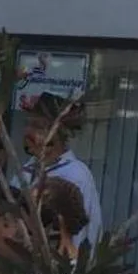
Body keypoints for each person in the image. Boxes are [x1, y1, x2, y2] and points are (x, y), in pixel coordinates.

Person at [23, 94, 102, 251]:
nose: (28, 131)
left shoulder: (74, 174)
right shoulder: (28, 168)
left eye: (37, 126)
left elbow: (74, 235)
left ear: (58, 132)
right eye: (28, 124)